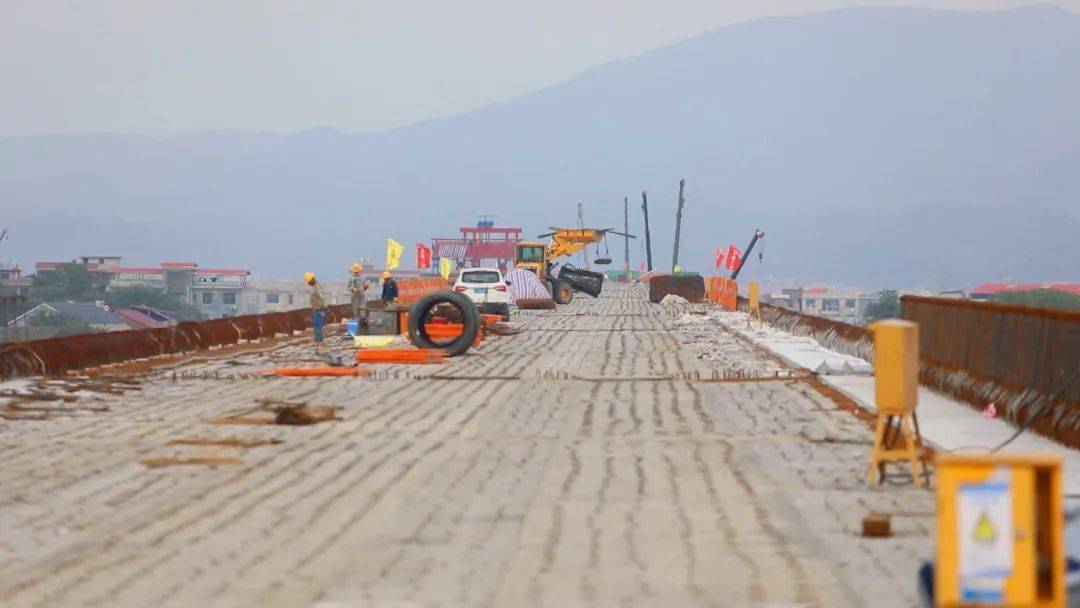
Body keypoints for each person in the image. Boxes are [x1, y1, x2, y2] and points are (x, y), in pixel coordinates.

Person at [305, 272, 328, 351]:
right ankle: (318, 340)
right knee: (316, 324)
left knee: (318, 325)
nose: (308, 283)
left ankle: (319, 341)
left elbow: (322, 297)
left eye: (308, 281)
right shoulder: (314, 286)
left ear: (312, 279)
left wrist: (323, 306)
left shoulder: (317, 287)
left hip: (319, 309)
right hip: (316, 308)